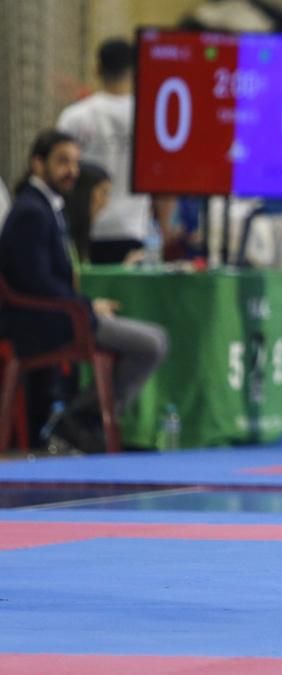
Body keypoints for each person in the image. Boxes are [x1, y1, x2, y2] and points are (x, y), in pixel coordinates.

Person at [0, 130, 168, 454]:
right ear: (37, 163)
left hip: (58, 314)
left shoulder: (48, 207)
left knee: (151, 340)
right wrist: (85, 307)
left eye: (76, 162)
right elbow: (36, 282)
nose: (72, 171)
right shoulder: (31, 212)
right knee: (153, 343)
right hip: (42, 322)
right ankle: (80, 419)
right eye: (62, 161)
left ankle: (78, 420)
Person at [57, 38, 162, 265]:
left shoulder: (75, 116)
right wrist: (166, 228)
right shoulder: (151, 116)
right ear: (135, 70)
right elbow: (163, 179)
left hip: (85, 230)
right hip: (133, 229)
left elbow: (57, 173)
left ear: (97, 69)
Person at [63, 162, 113, 264]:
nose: (105, 202)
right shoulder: (63, 234)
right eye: (104, 193)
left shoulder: (80, 234)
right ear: (84, 192)